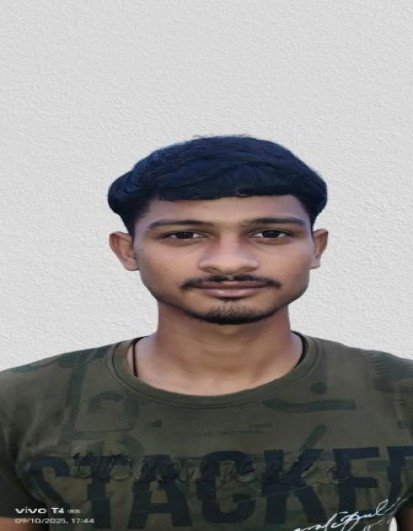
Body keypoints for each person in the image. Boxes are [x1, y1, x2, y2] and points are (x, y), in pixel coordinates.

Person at [0, 135, 412, 531]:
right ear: (127, 250)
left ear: (316, 247)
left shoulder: (400, 394)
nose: (230, 262)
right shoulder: (21, 403)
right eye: (185, 235)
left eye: (271, 234)